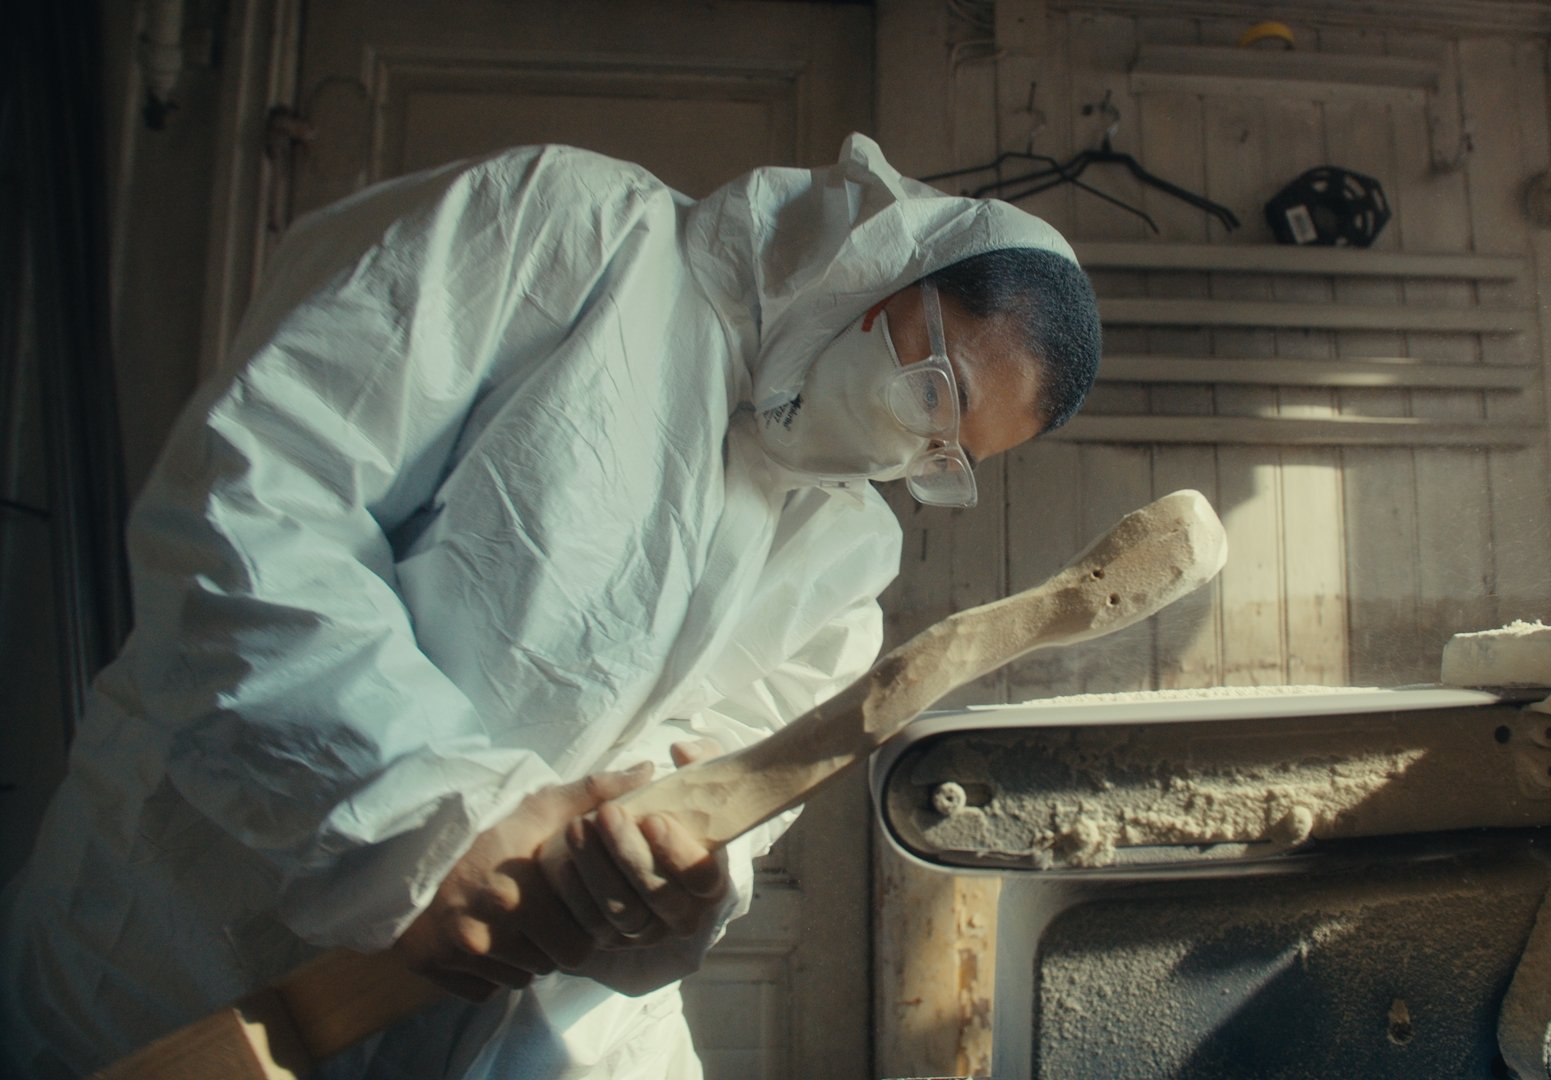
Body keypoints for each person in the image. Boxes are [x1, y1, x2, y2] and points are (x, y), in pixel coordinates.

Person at [0, 134, 1100, 1078]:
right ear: (884, 264)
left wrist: (681, 890)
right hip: (183, 937)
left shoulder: (842, 559)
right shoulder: (571, 233)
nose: (912, 445)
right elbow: (257, 505)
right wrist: (428, 817)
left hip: (480, 1027)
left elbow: (726, 797)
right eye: (936, 392)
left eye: (947, 453)